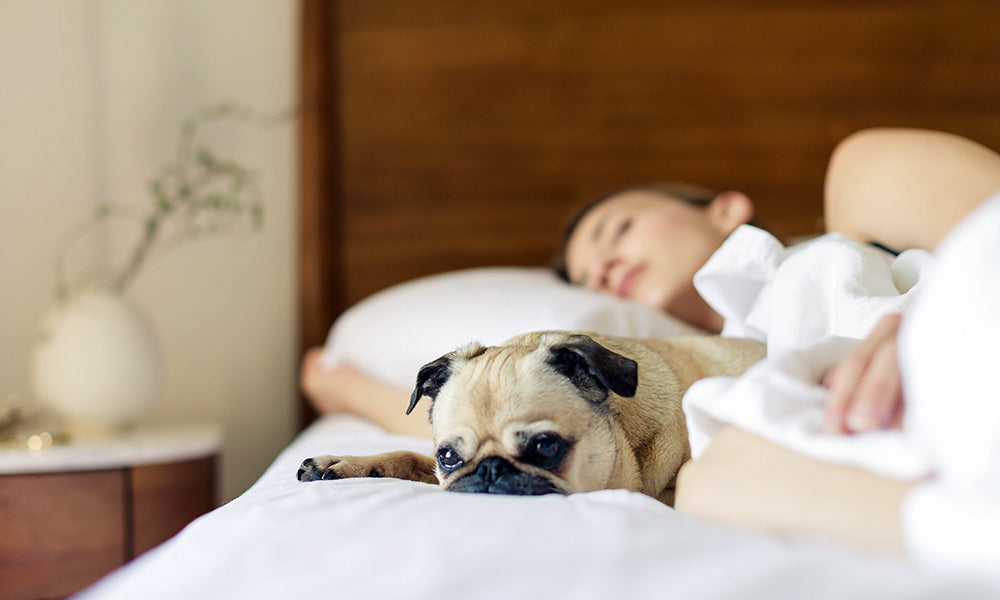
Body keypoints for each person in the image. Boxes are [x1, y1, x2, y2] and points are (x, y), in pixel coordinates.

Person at [299, 128, 1000, 561]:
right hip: (909, 442)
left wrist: (923, 323)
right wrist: (343, 389)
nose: (600, 268)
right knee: (713, 486)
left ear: (725, 208)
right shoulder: (697, 415)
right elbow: (483, 422)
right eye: (586, 279)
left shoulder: (857, 210)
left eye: (617, 231)